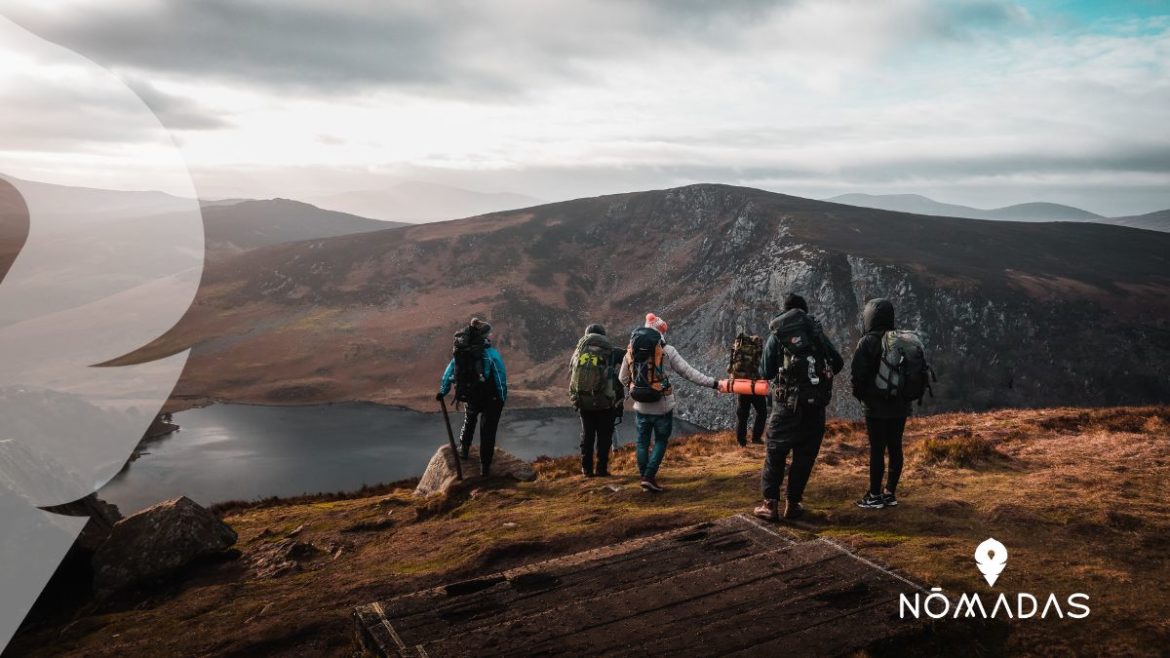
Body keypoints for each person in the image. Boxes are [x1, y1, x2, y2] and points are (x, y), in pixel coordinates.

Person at [754, 294, 843, 521]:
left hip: (786, 405)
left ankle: (770, 504)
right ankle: (793, 504)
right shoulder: (815, 331)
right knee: (804, 456)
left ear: (784, 311)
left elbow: (765, 371)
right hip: (815, 405)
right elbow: (838, 362)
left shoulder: (778, 334)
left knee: (775, 452)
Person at [619, 313, 719, 493]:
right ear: (660, 332)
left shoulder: (631, 350)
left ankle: (644, 477)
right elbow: (689, 372)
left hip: (640, 406)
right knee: (660, 441)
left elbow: (622, 377)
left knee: (642, 442)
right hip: (662, 406)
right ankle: (649, 477)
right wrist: (713, 383)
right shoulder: (667, 350)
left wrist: (634, 387)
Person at [850, 298, 911, 510]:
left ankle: (874, 495)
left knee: (877, 449)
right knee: (896, 446)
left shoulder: (867, 342)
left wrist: (863, 396)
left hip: (875, 407)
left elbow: (857, 374)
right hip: (900, 405)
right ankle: (890, 493)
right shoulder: (903, 340)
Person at [436, 318, 508, 477]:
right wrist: (502, 397)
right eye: (490, 333)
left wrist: (443, 390)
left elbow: (449, 373)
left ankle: (464, 449)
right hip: (491, 398)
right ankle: (485, 466)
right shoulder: (491, 354)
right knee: (488, 431)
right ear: (484, 336)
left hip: (471, 395)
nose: (492, 335)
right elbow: (499, 377)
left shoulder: (463, 353)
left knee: (469, 420)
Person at [569, 323, 621, 477]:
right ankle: (601, 469)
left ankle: (586, 469)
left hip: (583, 401)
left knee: (587, 434)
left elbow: (572, 372)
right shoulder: (611, 351)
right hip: (605, 402)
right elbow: (629, 357)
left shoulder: (578, 352)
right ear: (603, 336)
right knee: (604, 436)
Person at [728, 332, 767, 446]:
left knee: (742, 414)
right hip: (755, 385)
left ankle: (741, 442)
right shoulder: (757, 348)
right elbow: (762, 366)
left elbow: (731, 364)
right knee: (762, 412)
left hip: (741, 385)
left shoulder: (738, 347)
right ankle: (756, 438)